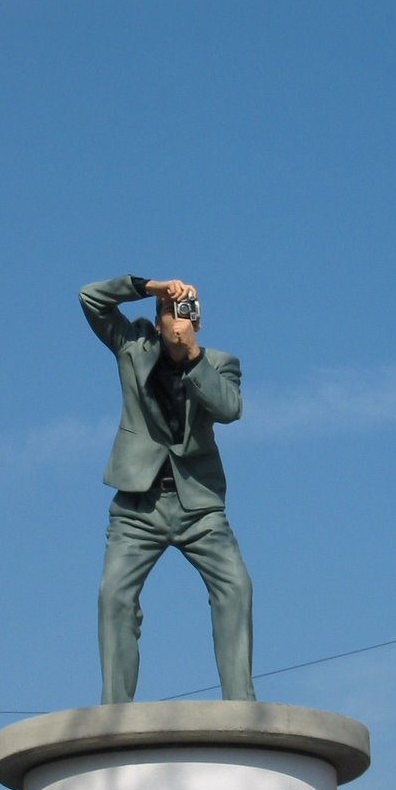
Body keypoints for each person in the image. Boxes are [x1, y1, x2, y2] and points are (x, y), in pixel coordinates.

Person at [79, 274, 256, 704]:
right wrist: (152, 287)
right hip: (137, 506)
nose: (176, 320)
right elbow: (90, 299)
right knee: (113, 595)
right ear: (156, 320)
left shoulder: (219, 362)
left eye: (184, 313)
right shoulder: (131, 347)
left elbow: (230, 408)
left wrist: (192, 355)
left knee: (236, 587)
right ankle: (115, 713)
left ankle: (240, 705)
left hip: (198, 506)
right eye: (169, 312)